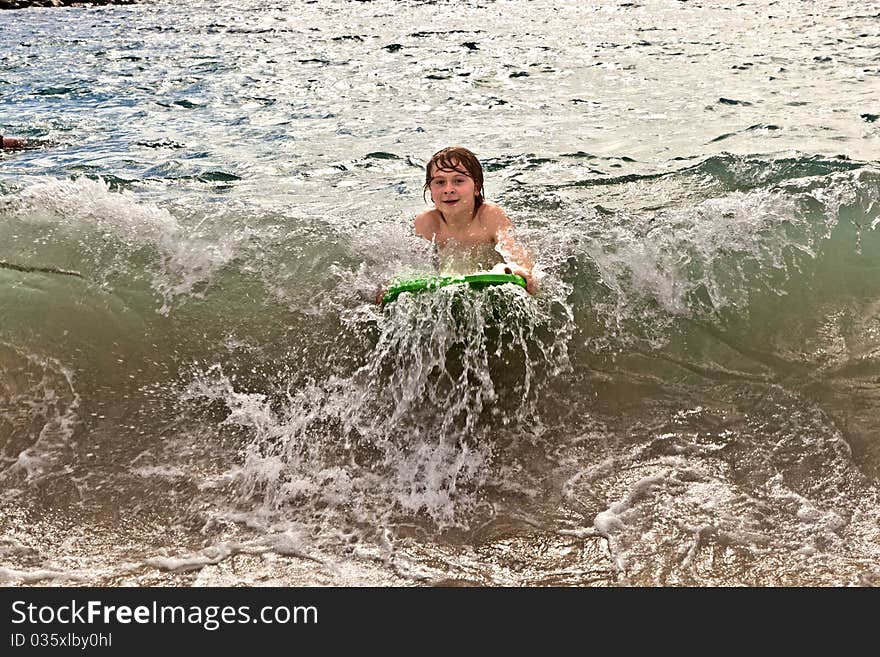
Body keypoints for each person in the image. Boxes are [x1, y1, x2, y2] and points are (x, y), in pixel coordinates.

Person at [413, 145, 537, 295]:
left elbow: (514, 250)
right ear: (430, 190)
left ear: (476, 188)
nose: (448, 189)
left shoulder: (489, 216)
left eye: (458, 181)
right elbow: (411, 266)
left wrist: (518, 268)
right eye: (440, 182)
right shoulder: (426, 223)